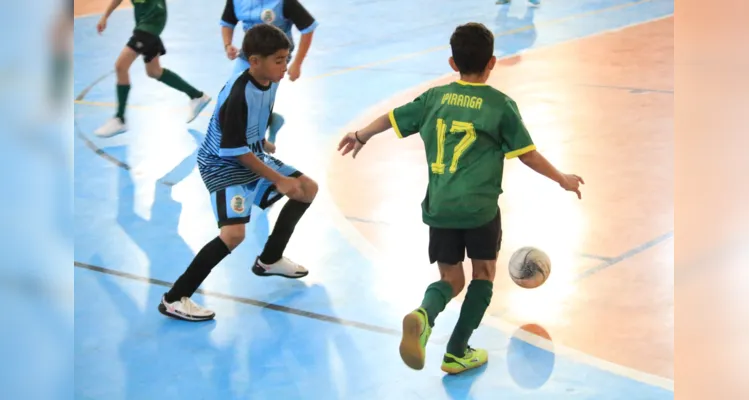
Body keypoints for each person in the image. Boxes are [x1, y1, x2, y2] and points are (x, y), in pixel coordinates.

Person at [337, 22, 583, 374]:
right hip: (479, 209)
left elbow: (391, 119)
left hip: (438, 208)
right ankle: (456, 351)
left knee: (451, 280)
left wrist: (361, 134)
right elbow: (527, 154)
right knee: (482, 274)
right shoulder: (500, 106)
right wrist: (562, 179)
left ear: (452, 63)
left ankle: (424, 313)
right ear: (493, 62)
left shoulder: (433, 98)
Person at [158, 24, 318, 322]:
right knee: (233, 234)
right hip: (222, 163)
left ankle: (269, 260)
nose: (286, 66)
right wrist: (278, 179)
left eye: (287, 58)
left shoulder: (269, 79)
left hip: (249, 151)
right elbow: (234, 151)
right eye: (280, 60)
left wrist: (262, 138)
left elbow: (256, 118)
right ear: (255, 61)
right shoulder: (238, 94)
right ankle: (174, 298)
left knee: (307, 188)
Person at [94, 0, 212, 138]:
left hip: (151, 21)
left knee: (121, 66)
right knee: (154, 71)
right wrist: (105, 16)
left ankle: (120, 119)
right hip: (146, 22)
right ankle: (197, 96)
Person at [220, 0, 318, 144]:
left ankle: (257, 147)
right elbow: (227, 22)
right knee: (231, 97)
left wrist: (297, 63)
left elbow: (308, 28)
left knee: (257, 102)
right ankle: (271, 120)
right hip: (248, 54)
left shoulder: (283, 2)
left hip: (274, 58)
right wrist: (228, 45)